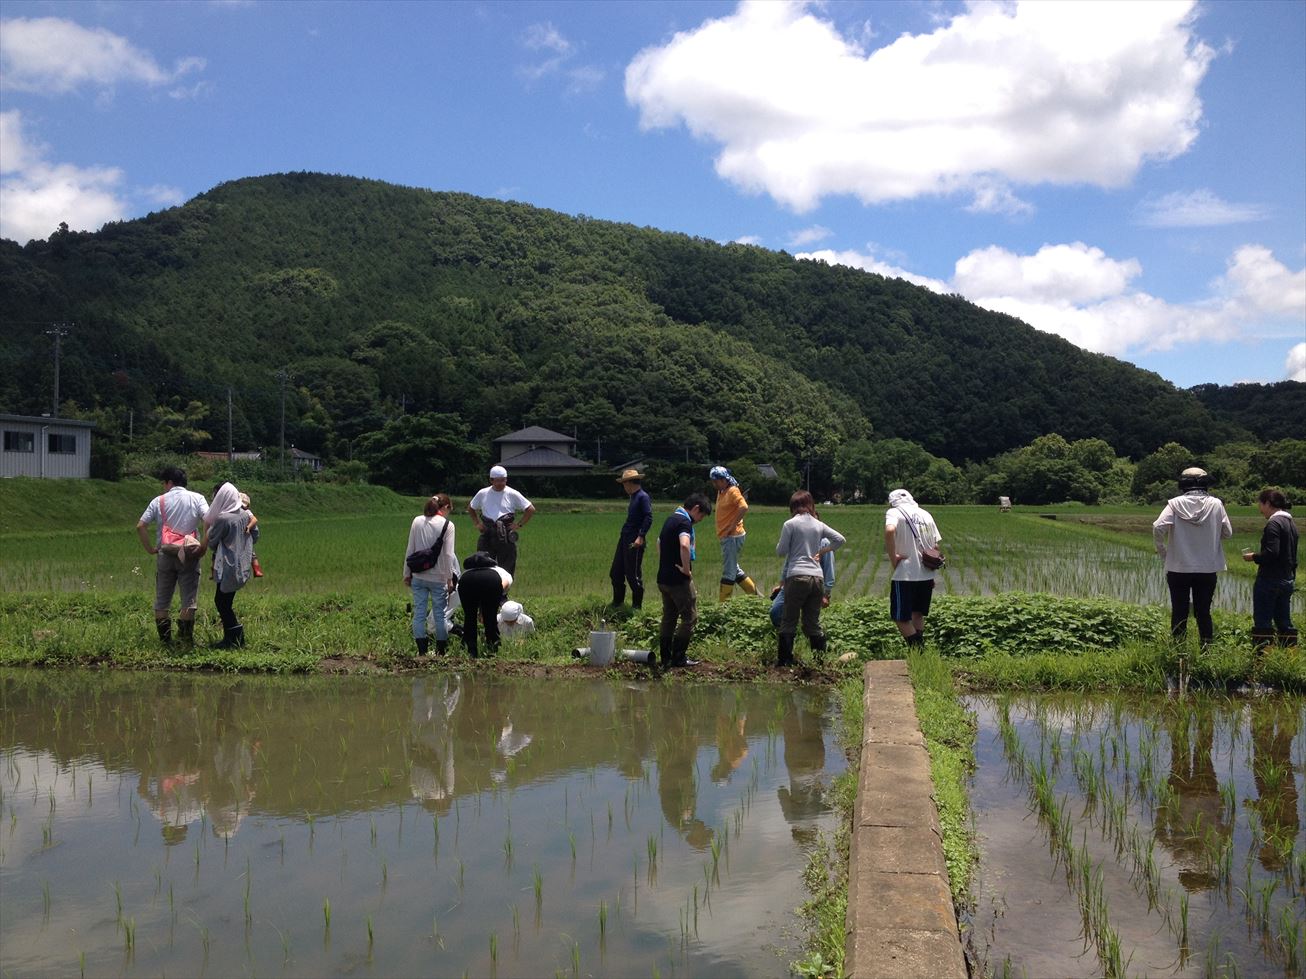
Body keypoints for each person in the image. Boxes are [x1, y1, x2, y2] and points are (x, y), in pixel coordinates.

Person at [1153, 467, 1233, 647]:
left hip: (1178, 568)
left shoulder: (1174, 504)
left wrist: (1163, 552)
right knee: (1203, 612)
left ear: (1183, 483)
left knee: (1179, 611)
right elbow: (1227, 533)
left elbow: (1158, 527)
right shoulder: (1216, 504)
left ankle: (1178, 651)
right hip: (1207, 568)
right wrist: (1209, 533)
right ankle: (1206, 650)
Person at [136, 467, 209, 644]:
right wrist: (203, 547)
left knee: (162, 600)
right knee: (188, 599)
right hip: (189, 554)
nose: (163, 486)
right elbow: (209, 521)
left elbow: (141, 526)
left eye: (164, 483)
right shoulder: (197, 498)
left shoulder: (158, 501)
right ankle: (185, 641)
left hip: (165, 553)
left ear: (169, 482)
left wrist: (150, 549)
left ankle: (165, 642)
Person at [775, 491, 845, 667]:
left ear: (792, 507)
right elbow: (840, 540)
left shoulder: (790, 524)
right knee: (812, 622)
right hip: (817, 578)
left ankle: (785, 662)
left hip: (797, 576)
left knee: (789, 621)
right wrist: (822, 552)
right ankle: (819, 663)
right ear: (810, 505)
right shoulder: (818, 524)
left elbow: (781, 551)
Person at [655, 492, 712, 670]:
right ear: (696, 509)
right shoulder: (684, 522)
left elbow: (658, 542)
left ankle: (665, 657)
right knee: (690, 618)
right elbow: (685, 544)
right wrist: (686, 570)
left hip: (663, 578)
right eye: (701, 516)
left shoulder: (671, 518)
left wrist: (666, 563)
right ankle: (679, 658)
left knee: (669, 618)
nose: (699, 520)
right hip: (679, 581)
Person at [1242, 487, 1298, 651]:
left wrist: (1254, 557)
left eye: (1260, 504)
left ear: (1267, 503)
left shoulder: (1274, 523)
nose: (1260, 509)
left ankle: (1262, 662)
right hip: (1287, 579)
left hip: (1269, 580)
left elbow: (1272, 553)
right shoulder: (1290, 522)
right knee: (1284, 622)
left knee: (1263, 623)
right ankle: (1290, 657)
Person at [884, 488, 942, 647]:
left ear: (892, 502)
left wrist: (893, 557)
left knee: (900, 617)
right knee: (917, 613)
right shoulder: (926, 514)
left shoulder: (894, 513)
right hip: (926, 574)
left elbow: (890, 530)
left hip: (905, 574)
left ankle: (918, 650)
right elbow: (935, 546)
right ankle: (919, 654)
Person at [204, 482, 259, 648]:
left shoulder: (223, 518)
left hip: (227, 564)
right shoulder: (244, 514)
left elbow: (212, 542)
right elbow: (255, 535)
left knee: (221, 602)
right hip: (242, 562)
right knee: (225, 600)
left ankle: (234, 640)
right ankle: (234, 638)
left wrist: (207, 529)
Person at [404, 494, 457, 657]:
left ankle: (422, 652)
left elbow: (410, 548)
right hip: (439, 577)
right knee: (439, 614)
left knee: (419, 613)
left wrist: (406, 573)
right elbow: (449, 555)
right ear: (446, 507)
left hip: (418, 576)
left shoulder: (417, 521)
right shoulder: (448, 525)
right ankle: (441, 652)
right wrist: (449, 578)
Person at [467, 465, 534, 576]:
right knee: (483, 566)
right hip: (487, 533)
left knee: (507, 568)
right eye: (497, 481)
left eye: (503, 480)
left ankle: (504, 592)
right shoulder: (483, 493)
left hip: (506, 534)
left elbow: (530, 509)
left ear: (506, 479)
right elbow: (471, 508)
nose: (500, 483)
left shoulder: (512, 493)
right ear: (491, 480)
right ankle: (487, 591)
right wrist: (477, 523)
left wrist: (519, 525)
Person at [709, 466, 758, 601]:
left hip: (733, 536)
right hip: (726, 536)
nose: (714, 484)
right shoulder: (722, 491)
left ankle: (723, 605)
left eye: (716, 481)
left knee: (729, 572)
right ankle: (756, 597)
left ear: (724, 480)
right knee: (734, 569)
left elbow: (744, 506)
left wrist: (732, 525)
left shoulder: (732, 491)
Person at [610, 468, 652, 609]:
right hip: (625, 537)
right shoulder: (633, 497)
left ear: (629, 483)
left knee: (633, 575)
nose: (623, 487)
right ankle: (617, 603)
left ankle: (636, 607)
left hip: (634, 540)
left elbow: (648, 517)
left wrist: (640, 536)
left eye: (624, 484)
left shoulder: (642, 497)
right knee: (616, 572)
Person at [457, 551, 512, 658]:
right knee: (490, 619)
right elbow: (504, 584)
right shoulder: (499, 570)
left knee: (469, 618)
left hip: (466, 581)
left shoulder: (467, 571)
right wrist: (487, 607)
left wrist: (480, 609)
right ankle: (493, 649)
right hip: (491, 580)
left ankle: (471, 651)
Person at [770, 539, 835, 629]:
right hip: (791, 582)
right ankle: (786, 634)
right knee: (776, 612)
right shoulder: (795, 538)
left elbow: (829, 568)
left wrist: (826, 594)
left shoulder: (824, 543)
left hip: (813, 584)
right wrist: (782, 585)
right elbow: (788, 563)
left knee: (810, 621)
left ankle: (800, 635)